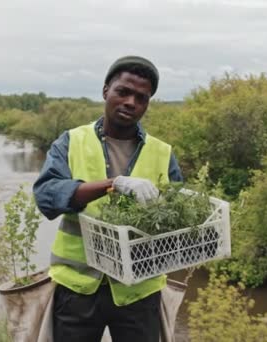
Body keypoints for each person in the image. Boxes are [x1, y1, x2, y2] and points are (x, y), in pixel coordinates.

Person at [33, 55, 183, 342]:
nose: (131, 102)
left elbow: (178, 217)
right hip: (78, 288)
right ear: (106, 91)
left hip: (139, 290)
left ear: (147, 104)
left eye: (141, 97)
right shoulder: (71, 141)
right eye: (123, 92)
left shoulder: (162, 153)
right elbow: (47, 196)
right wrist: (113, 184)